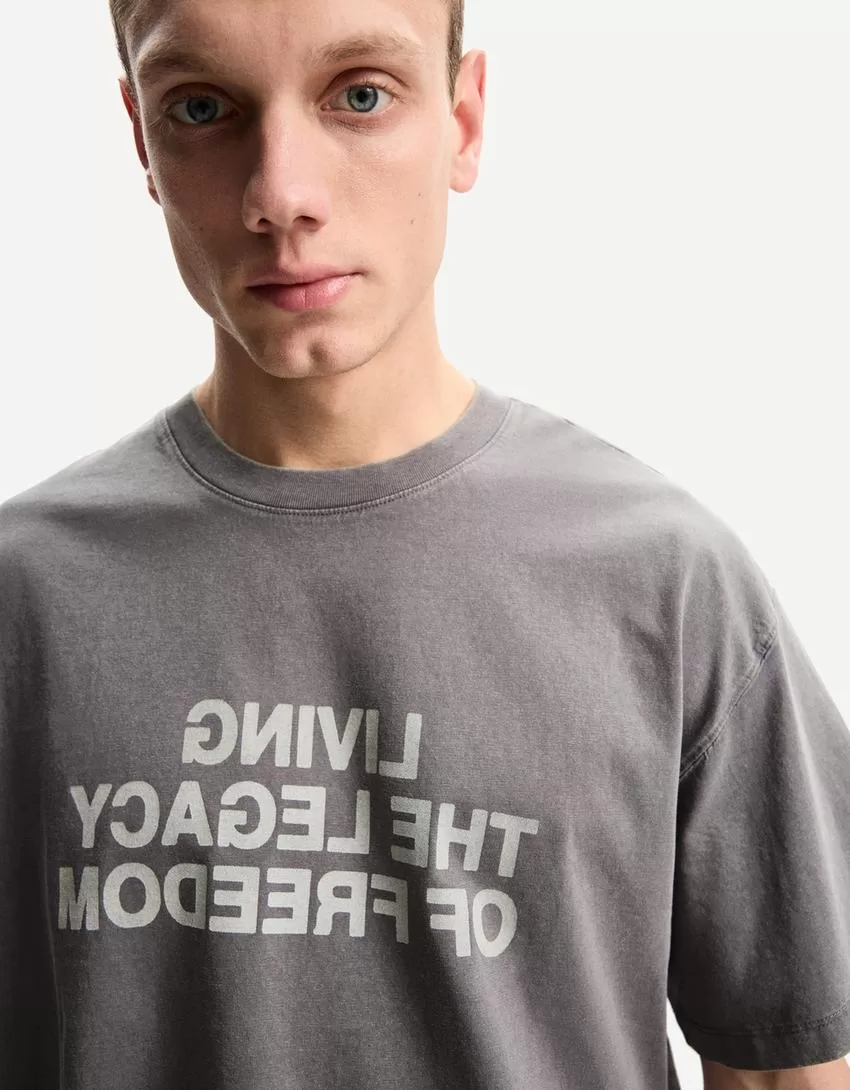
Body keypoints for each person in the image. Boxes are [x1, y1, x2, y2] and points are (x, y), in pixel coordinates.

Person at [0, 1, 848, 1087]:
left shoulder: (667, 586)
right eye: (202, 109)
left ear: (463, 119)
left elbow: (787, 1065)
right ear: (140, 140)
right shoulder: (26, 597)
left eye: (360, 95)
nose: (281, 196)